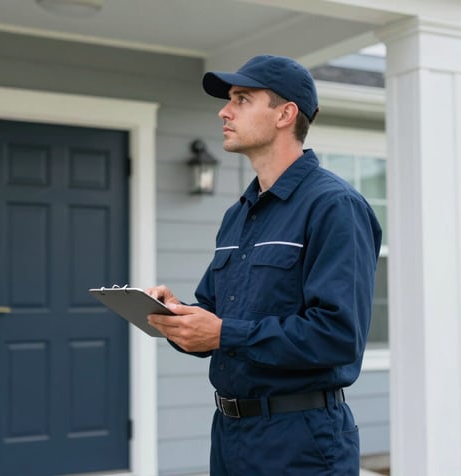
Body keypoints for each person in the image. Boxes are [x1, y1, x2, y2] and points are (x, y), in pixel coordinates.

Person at [146, 55, 382, 475]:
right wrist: (176, 317)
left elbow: (339, 335)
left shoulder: (334, 206)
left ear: (285, 114)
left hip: (300, 442)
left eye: (242, 99)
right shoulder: (238, 215)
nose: (224, 110)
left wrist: (222, 332)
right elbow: (216, 321)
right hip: (231, 436)